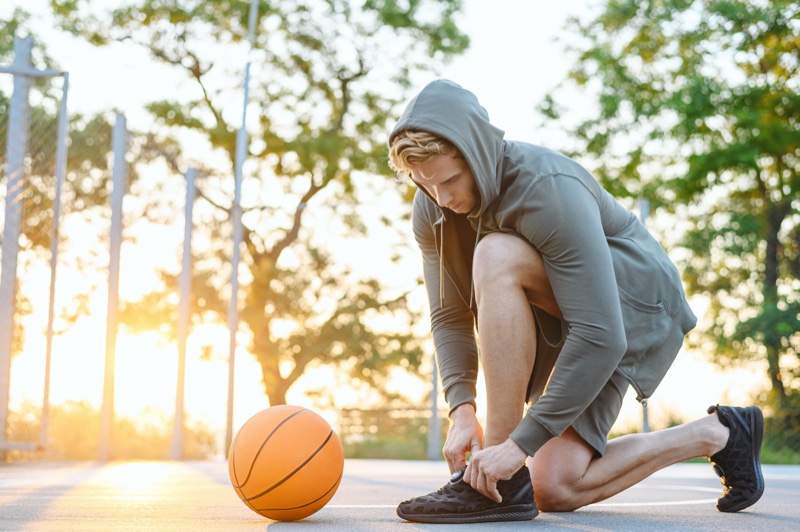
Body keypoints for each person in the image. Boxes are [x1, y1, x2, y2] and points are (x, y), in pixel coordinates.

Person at [386, 79, 764, 524]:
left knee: (496, 252)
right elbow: (449, 316)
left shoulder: (546, 187)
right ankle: (720, 433)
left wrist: (514, 446)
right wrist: (462, 408)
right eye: (425, 184)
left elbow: (601, 333)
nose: (442, 199)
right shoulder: (432, 209)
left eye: (451, 179)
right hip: (555, 308)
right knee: (555, 487)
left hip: (628, 300)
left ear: (476, 153)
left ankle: (498, 486)